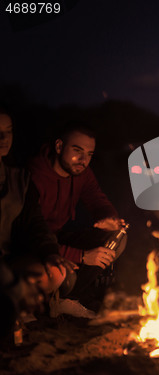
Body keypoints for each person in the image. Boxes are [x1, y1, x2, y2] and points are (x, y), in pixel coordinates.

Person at [29, 123, 126, 311]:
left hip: (56, 237)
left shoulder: (82, 173)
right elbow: (30, 234)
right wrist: (81, 256)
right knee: (65, 276)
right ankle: (54, 296)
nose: (83, 160)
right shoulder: (33, 175)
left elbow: (98, 200)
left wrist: (110, 219)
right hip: (32, 244)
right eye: (77, 150)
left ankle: (69, 298)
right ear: (58, 147)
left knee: (117, 238)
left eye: (90, 154)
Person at [0, 108, 74, 333]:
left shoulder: (19, 179)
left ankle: (17, 307)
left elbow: (34, 222)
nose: (3, 139)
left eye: (8, 132)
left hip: (8, 260)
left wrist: (50, 252)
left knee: (56, 272)